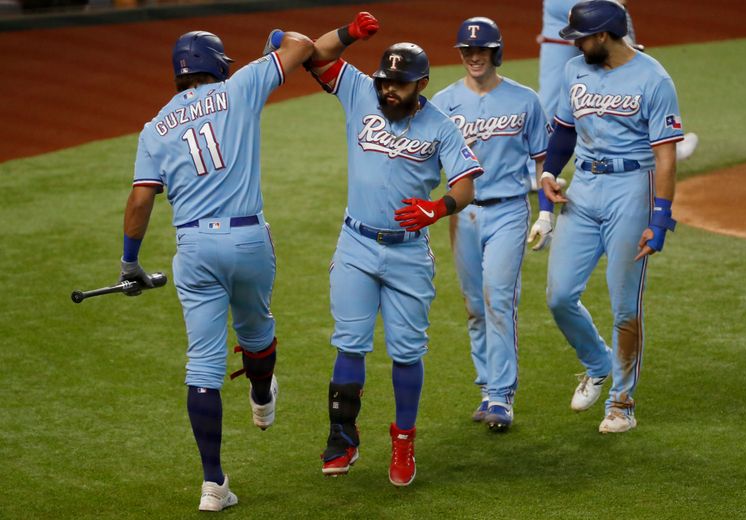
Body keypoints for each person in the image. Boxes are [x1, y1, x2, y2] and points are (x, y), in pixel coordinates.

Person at [118, 29, 313, 511]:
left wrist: (130, 263)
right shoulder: (240, 86)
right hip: (248, 237)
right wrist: (275, 42)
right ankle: (262, 392)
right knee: (256, 332)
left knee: (200, 364)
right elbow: (304, 45)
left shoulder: (154, 127)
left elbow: (142, 199)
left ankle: (212, 484)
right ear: (218, 64)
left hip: (194, 246)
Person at [298, 12, 483, 486]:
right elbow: (312, 54)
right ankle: (342, 437)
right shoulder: (360, 91)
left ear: (421, 83)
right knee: (349, 342)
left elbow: (465, 185)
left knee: (406, 352)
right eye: (385, 82)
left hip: (407, 254)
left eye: (399, 85)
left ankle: (403, 442)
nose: (388, 91)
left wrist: (438, 208)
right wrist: (348, 34)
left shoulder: (441, 125)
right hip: (356, 243)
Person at [539, 0, 684, 433]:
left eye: (581, 38)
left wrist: (660, 220)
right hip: (583, 188)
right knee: (559, 295)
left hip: (631, 188)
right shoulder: (575, 71)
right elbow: (564, 129)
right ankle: (597, 363)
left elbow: (666, 155)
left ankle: (622, 403)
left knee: (624, 304)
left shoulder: (654, 78)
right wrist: (549, 172)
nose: (575, 46)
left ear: (603, 35)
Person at [430, 17, 551, 431]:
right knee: (474, 305)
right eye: (467, 50)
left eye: (481, 50)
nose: (474, 56)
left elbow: (543, 161)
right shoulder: (443, 103)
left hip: (509, 210)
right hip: (462, 214)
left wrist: (547, 211)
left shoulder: (525, 100)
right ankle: (486, 387)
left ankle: (501, 395)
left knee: (499, 298)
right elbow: (427, 160)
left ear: (495, 52)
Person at [537, 0, 697, 156]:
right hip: (596, 7)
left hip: (556, 8)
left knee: (549, 97)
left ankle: (531, 169)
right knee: (629, 74)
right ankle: (663, 143)